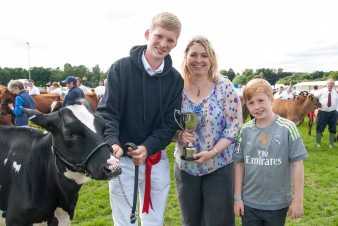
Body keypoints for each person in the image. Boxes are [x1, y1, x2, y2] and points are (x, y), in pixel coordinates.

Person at [96, 12, 183, 226]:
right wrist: (112, 142)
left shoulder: (175, 79)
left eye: (170, 40)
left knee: (154, 219)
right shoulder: (120, 68)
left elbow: (169, 123)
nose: (163, 44)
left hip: (155, 158)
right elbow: (108, 113)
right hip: (122, 158)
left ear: (175, 44)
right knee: (125, 221)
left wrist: (148, 147)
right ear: (148, 34)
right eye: (159, 36)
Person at [172, 35, 242, 226]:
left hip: (219, 165)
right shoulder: (175, 88)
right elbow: (164, 123)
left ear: (211, 58)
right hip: (186, 167)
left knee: (218, 221)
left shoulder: (225, 86)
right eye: (193, 55)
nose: (199, 60)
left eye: (204, 55)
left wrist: (212, 152)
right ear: (186, 58)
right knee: (191, 221)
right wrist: (178, 135)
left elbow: (234, 126)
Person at [233, 78, 307, 226]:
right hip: (249, 203)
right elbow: (239, 164)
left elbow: (298, 165)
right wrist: (237, 198)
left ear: (272, 99)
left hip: (277, 203)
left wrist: (298, 200)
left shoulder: (288, 128)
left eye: (261, 100)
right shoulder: (244, 131)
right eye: (251, 103)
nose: (256, 107)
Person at [314, 78, 338, 148]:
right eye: (329, 83)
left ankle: (331, 144)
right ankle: (318, 143)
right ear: (326, 84)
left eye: (331, 83)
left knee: (333, 128)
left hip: (333, 113)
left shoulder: (335, 92)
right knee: (319, 128)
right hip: (323, 112)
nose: (330, 84)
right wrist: (317, 105)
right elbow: (314, 97)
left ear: (333, 84)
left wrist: (336, 110)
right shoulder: (321, 91)